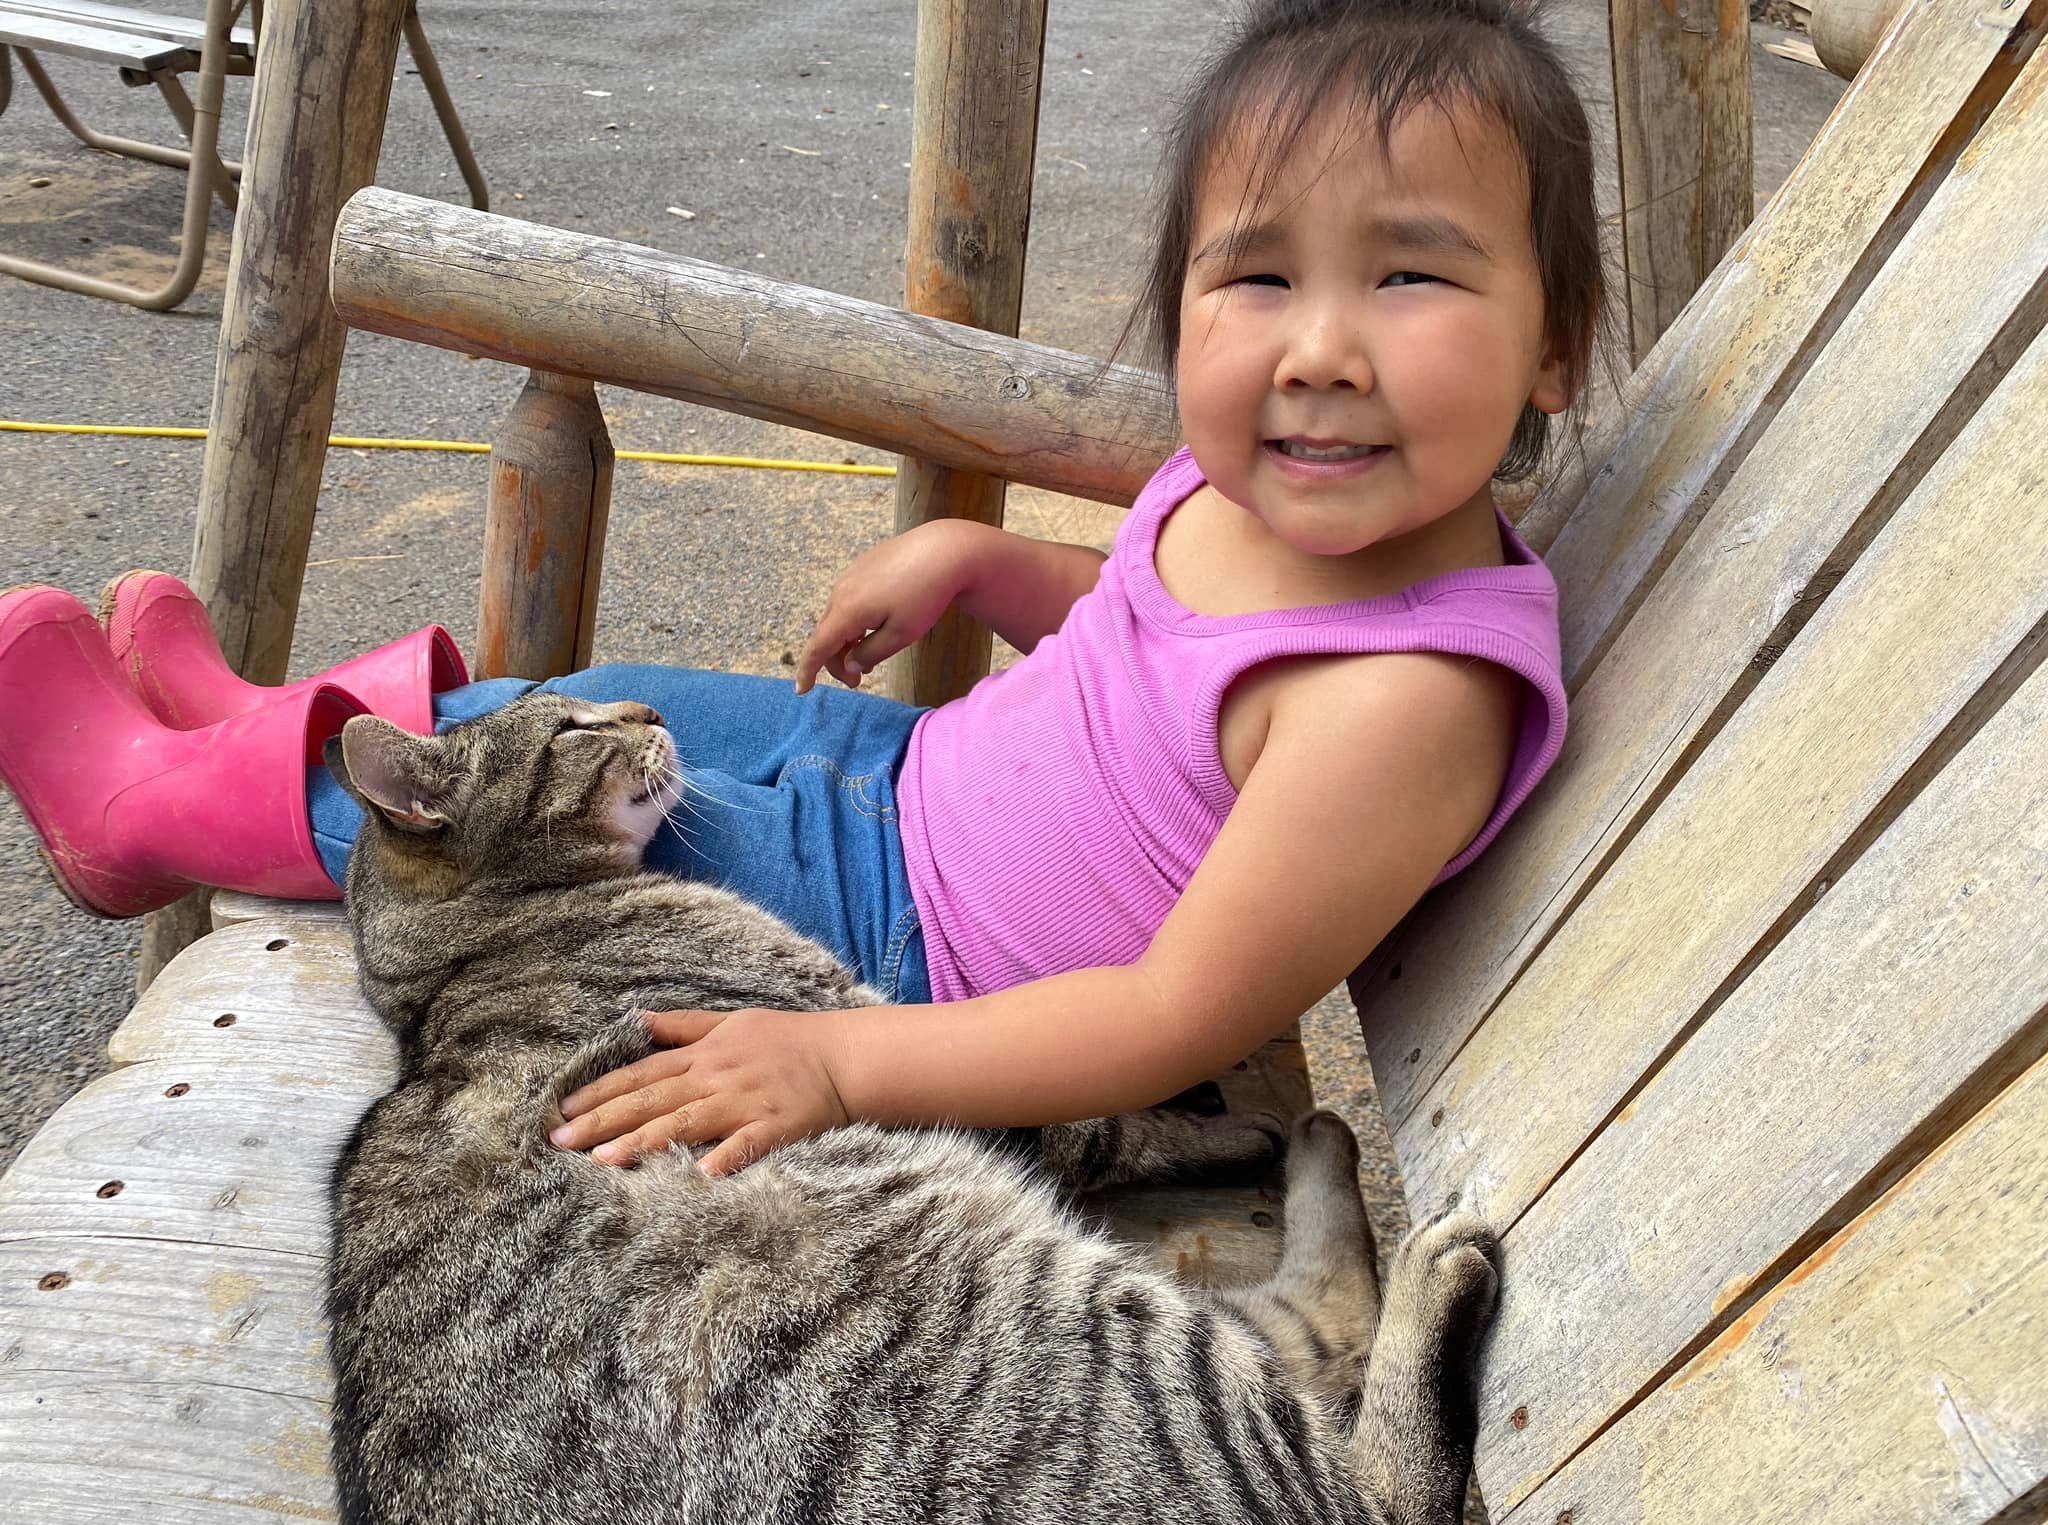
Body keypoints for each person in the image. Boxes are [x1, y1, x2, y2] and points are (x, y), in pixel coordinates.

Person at [0, 0, 1602, 1178]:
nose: (1320, 348)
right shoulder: (1277, 491)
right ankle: (257, 732)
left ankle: (147, 812)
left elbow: (1173, 1015)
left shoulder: (1396, 703)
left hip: (904, 951)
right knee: (549, 714)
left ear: (1553, 344)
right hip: (895, 780)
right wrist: (981, 562)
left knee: (497, 818)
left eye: (1410, 272)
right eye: (1259, 275)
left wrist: (840, 1060)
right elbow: (1152, 644)